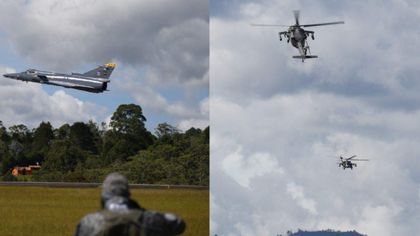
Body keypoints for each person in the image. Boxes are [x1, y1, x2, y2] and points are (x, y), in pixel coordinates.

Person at [74, 173, 186, 236]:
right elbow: (179, 224)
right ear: (127, 193)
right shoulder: (151, 219)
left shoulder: (88, 222)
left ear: (104, 196)